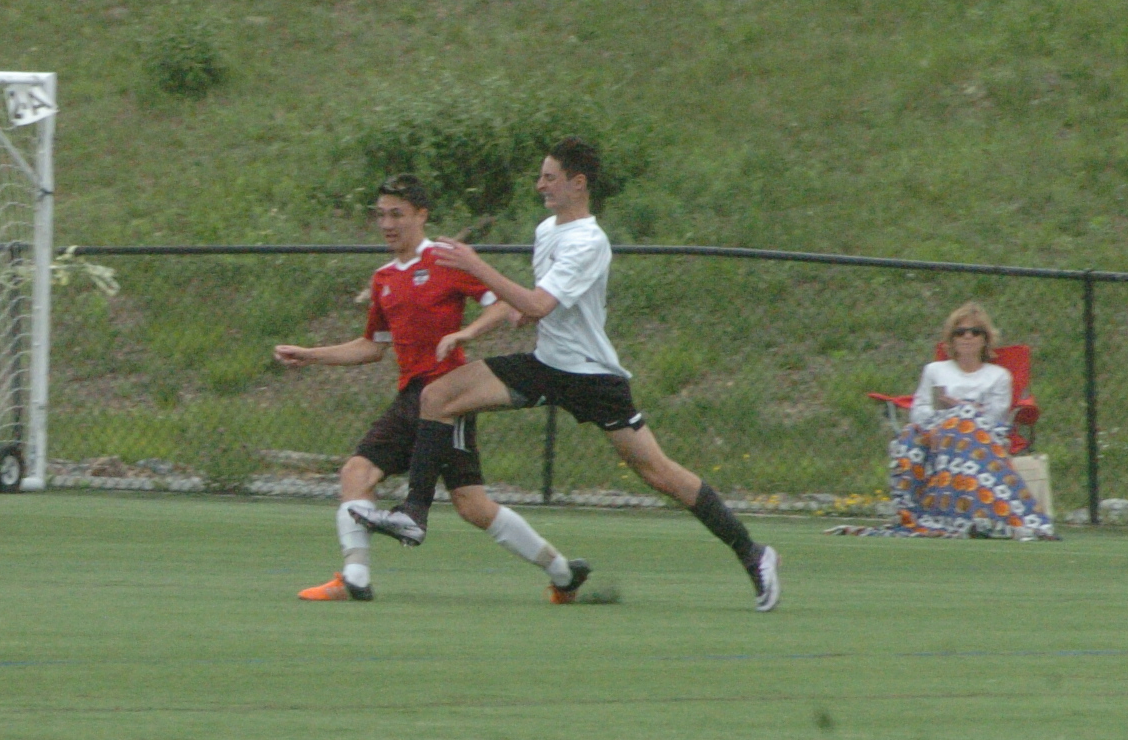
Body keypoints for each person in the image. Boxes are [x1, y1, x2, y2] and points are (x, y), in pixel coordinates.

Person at [394, 141, 782, 612]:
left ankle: (753, 553)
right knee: (438, 396)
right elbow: (539, 305)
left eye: (550, 177)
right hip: (547, 366)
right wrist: (497, 321)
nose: (540, 185)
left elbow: (539, 303)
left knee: (658, 473)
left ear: (578, 184)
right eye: (541, 176)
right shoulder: (547, 230)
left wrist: (478, 267)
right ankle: (414, 513)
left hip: (591, 376)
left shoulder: (588, 241)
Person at [275, 176, 592, 605]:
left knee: (470, 504)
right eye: (381, 215)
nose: (387, 224)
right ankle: (355, 579)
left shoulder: (446, 262)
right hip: (411, 398)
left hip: (448, 399)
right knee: (360, 474)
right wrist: (310, 355)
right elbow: (373, 347)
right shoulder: (384, 278)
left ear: (421, 215)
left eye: (397, 214)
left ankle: (561, 572)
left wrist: (467, 333)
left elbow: (502, 303)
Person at [845, 304, 1054, 539]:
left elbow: (996, 418)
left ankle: (976, 517)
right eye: (960, 332)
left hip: (981, 437)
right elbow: (919, 410)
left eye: (975, 332)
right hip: (935, 432)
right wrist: (938, 426)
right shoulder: (935, 370)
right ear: (951, 340)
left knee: (962, 426)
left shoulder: (999, 376)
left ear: (985, 339)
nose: (967, 337)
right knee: (909, 436)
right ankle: (911, 515)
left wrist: (960, 409)